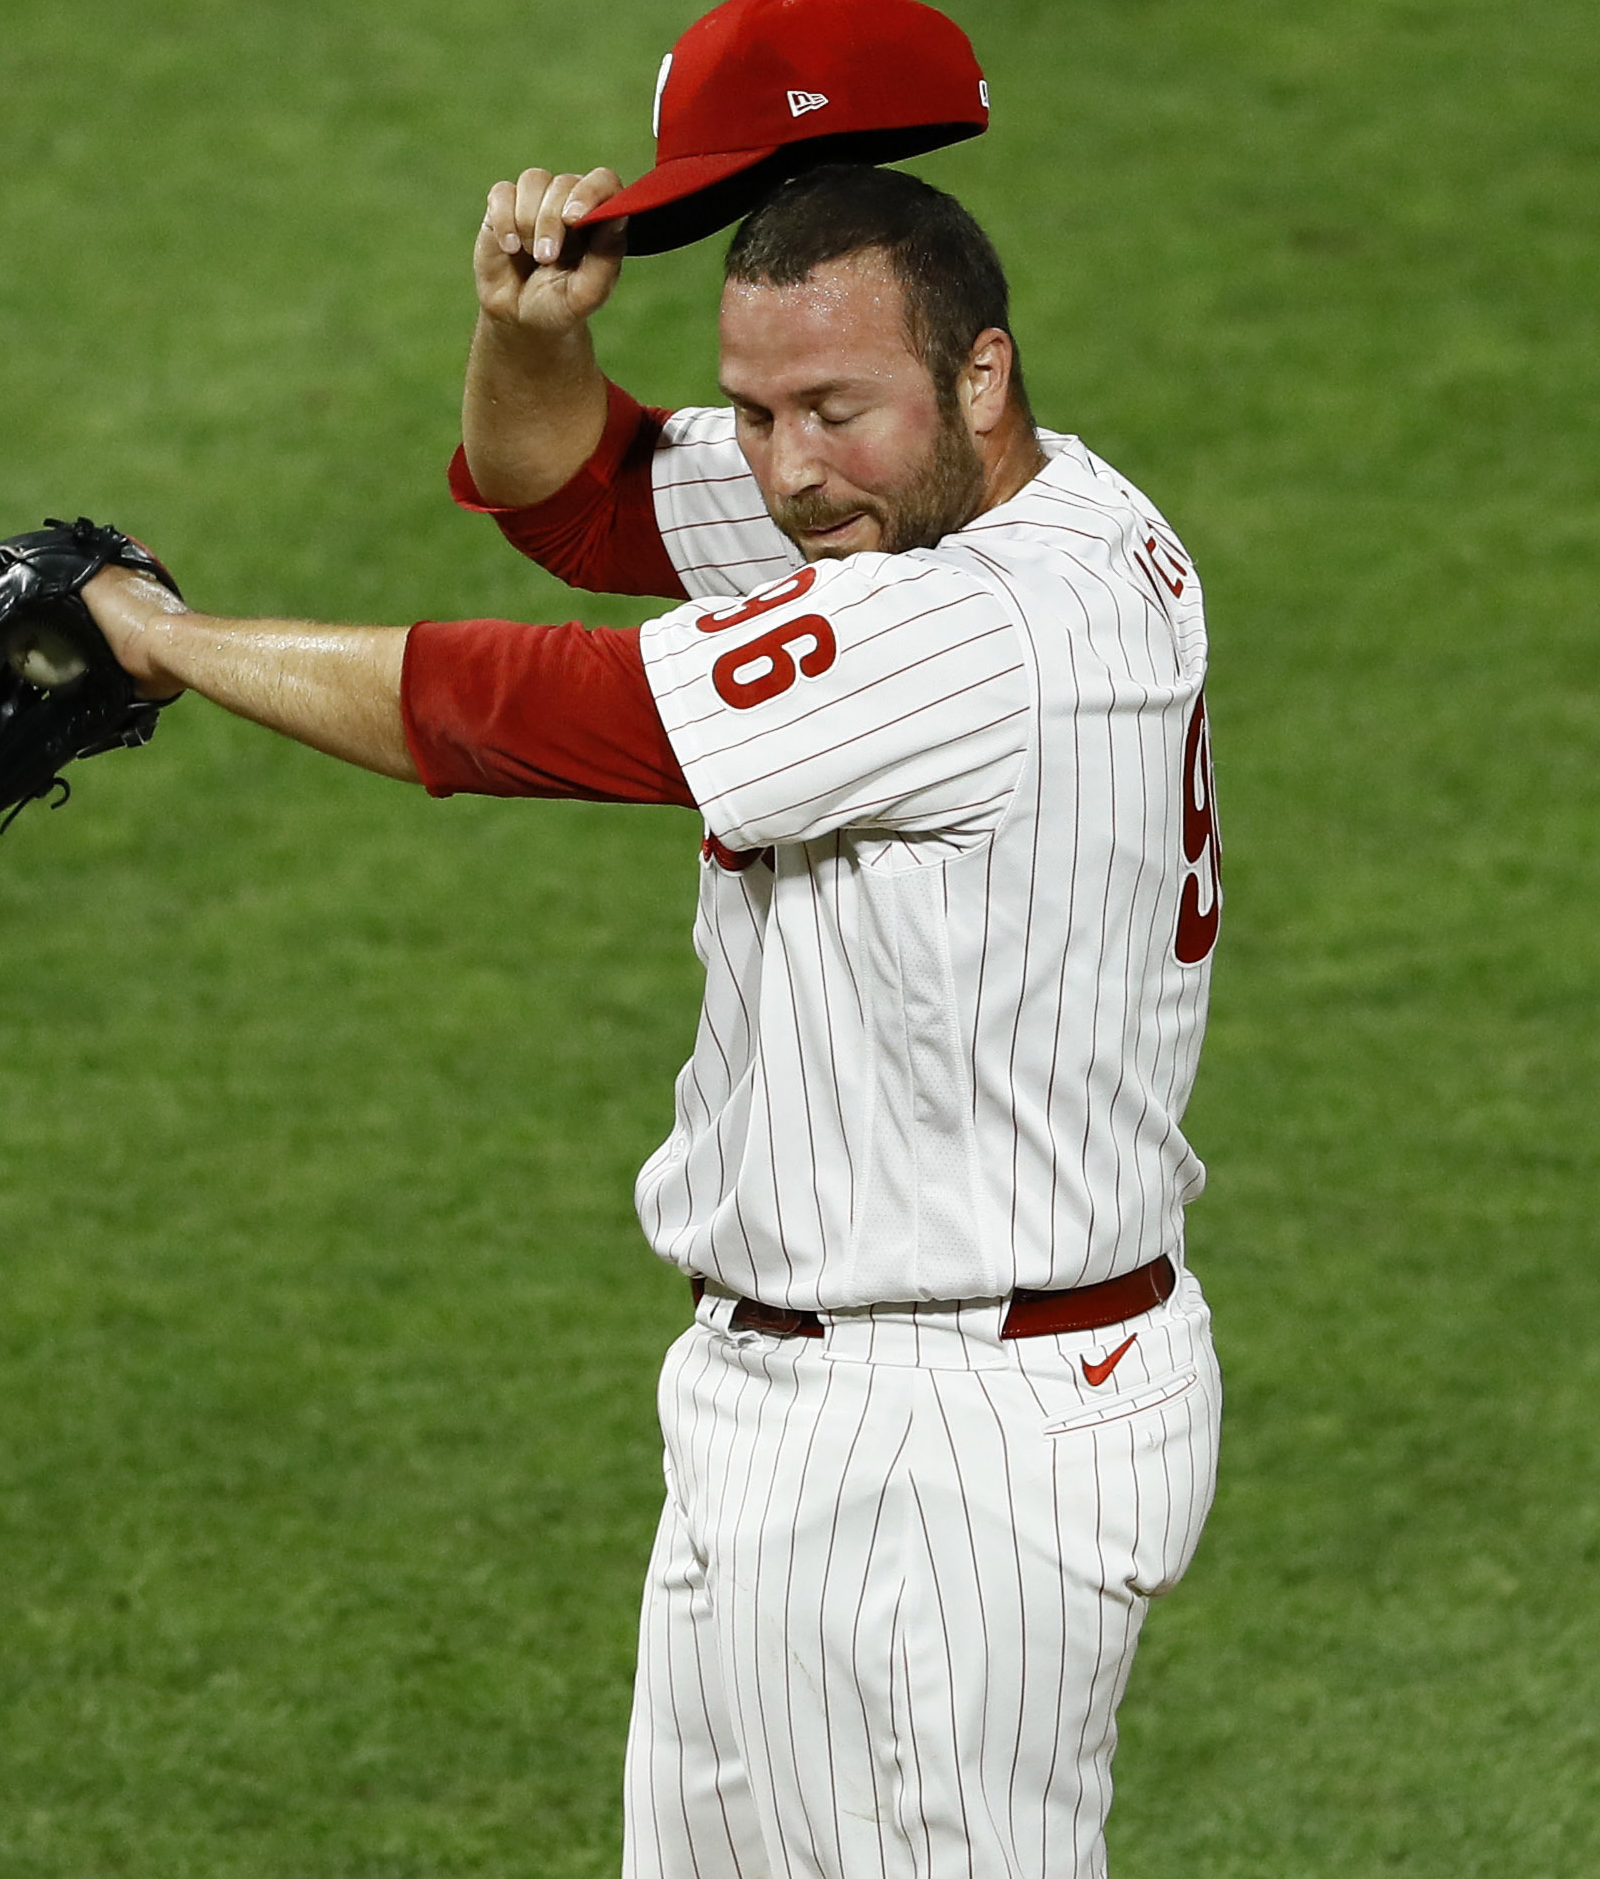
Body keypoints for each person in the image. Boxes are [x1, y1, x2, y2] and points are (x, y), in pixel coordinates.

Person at [85, 158, 1222, 1878]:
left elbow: (512, 715)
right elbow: (578, 497)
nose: (786, 470)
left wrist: (157, 639)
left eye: (834, 411)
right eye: (757, 411)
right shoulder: (978, 499)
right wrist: (521, 328)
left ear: (983, 375)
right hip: (821, 1394)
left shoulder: (988, 624)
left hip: (949, 1444)